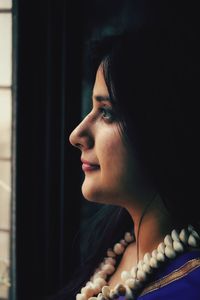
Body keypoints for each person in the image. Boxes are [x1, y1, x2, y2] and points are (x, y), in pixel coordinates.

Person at [51, 22, 200, 300]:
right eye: (92, 109)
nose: (76, 135)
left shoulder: (189, 286)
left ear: (160, 127)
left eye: (106, 112)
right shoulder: (119, 247)